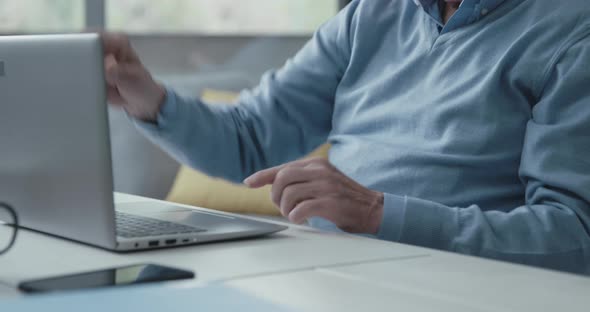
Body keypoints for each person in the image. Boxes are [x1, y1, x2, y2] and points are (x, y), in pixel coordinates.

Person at [102, 0, 590, 274]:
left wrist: (377, 212)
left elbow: (574, 236)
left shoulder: (572, 33)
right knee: (156, 279)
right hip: (325, 271)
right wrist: (147, 98)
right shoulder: (368, 17)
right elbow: (249, 140)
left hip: (453, 283)